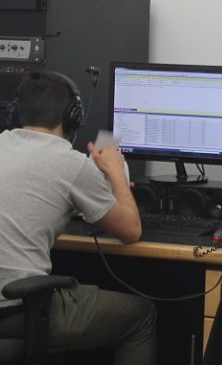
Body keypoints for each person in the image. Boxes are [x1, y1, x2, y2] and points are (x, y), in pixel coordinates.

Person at [0, 70, 156, 365]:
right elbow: (130, 231)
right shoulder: (70, 163)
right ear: (73, 117)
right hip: (16, 311)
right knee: (140, 316)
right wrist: (114, 172)